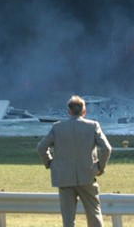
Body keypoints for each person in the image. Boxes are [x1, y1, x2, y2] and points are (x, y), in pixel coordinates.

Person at [37, 95, 112, 227]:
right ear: (84, 111)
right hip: (87, 175)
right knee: (94, 214)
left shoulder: (57, 127)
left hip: (64, 177)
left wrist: (50, 163)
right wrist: (99, 167)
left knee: (68, 220)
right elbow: (107, 148)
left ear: (69, 111)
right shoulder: (93, 126)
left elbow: (41, 147)